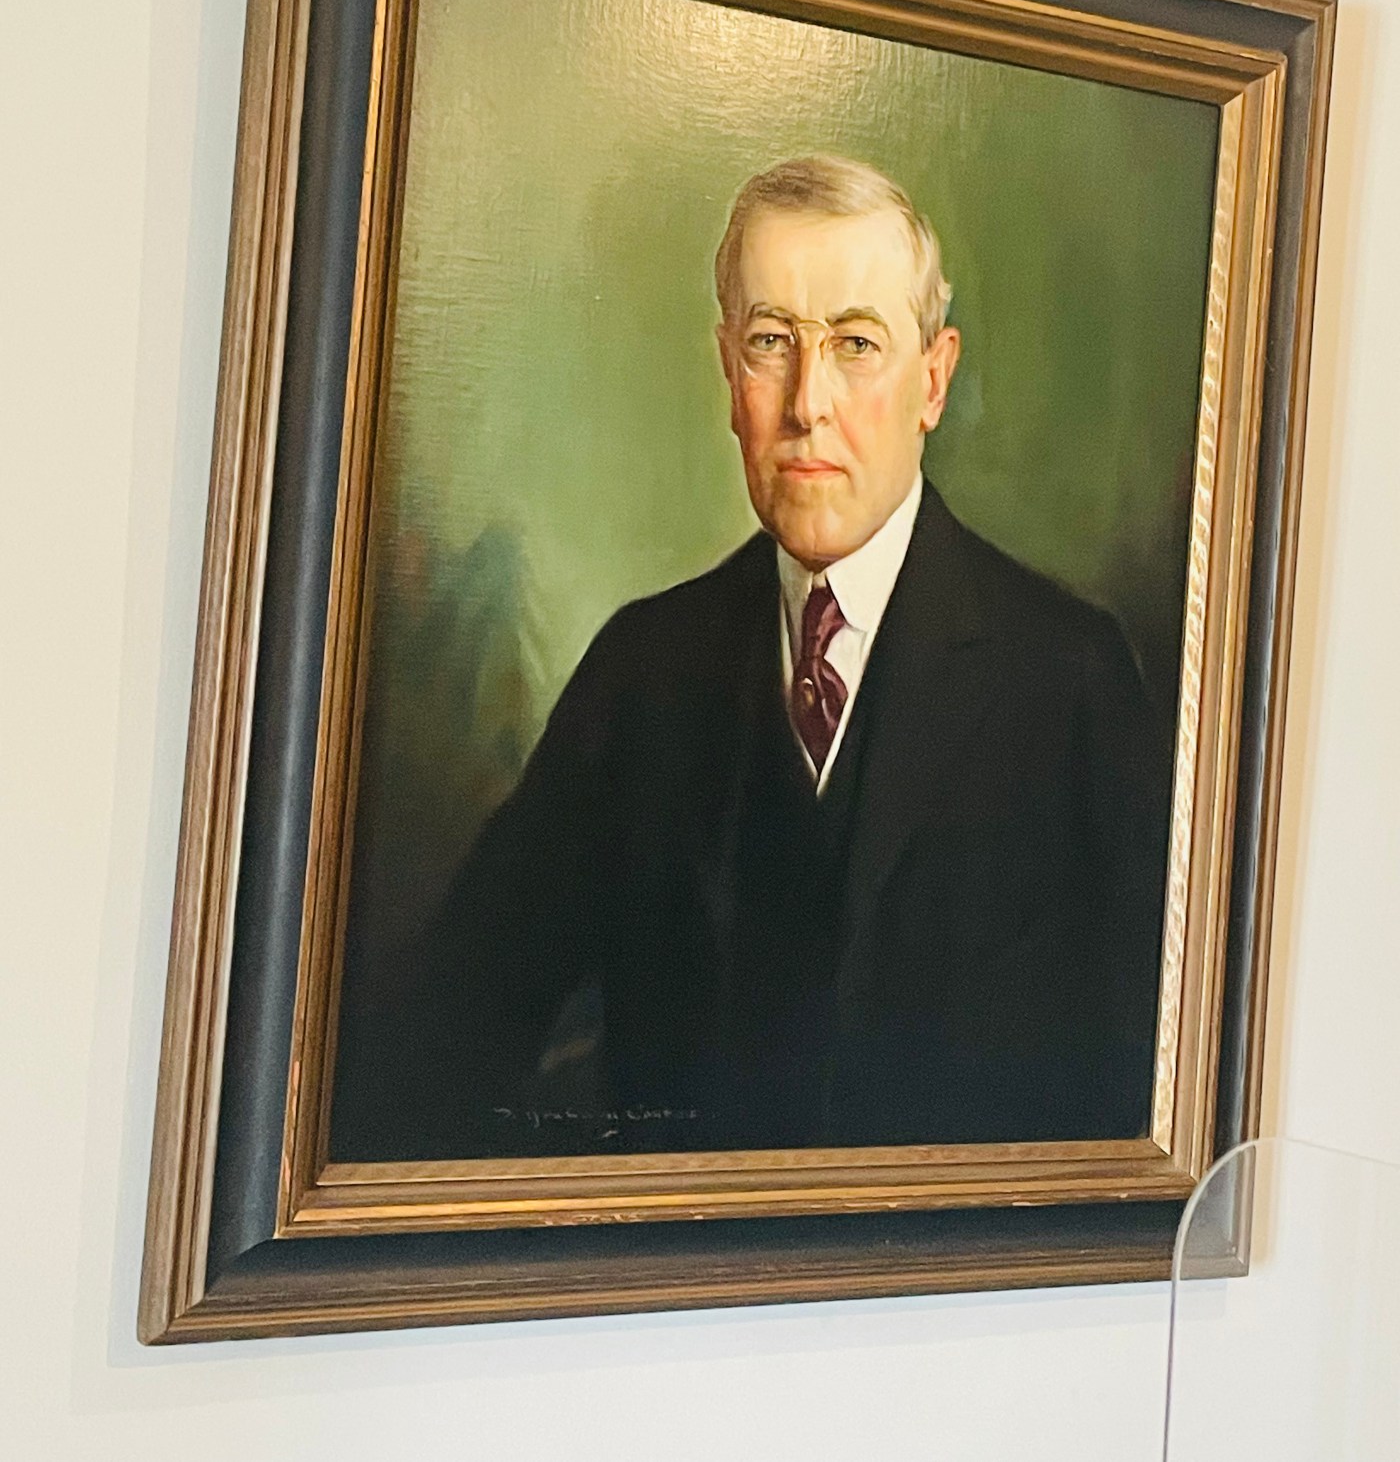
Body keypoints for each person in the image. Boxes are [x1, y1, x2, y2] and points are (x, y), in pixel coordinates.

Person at [340, 155, 1170, 1160]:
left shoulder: (1069, 678)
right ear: (729, 374)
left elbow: (1141, 1098)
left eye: (856, 344)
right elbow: (451, 1027)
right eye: (772, 342)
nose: (807, 402)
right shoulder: (641, 674)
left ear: (933, 380)